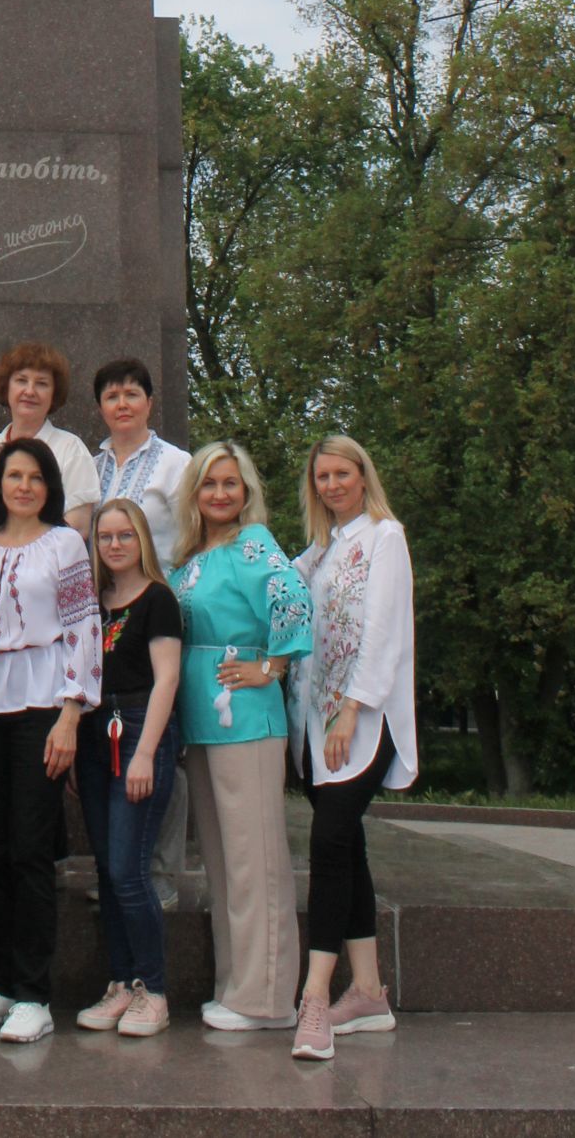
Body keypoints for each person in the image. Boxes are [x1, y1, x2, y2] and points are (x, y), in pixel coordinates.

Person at [0, 436, 102, 1044]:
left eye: (35, 477)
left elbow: (83, 625)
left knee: (30, 849)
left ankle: (34, 993)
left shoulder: (64, 543)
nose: (24, 486)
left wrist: (71, 713)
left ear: (49, 487)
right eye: (14, 476)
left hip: (41, 702)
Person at [168, 440, 313, 1033]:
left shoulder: (253, 543)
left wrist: (271, 667)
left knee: (256, 860)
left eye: (230, 483)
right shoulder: (191, 555)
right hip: (202, 719)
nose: (220, 493)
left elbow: (294, 600)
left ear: (247, 491)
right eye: (209, 483)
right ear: (194, 493)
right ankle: (236, 985)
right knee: (225, 863)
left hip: (246, 717)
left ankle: (268, 998)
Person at [288, 434, 417, 1063]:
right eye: (323, 477)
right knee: (346, 847)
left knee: (329, 842)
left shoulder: (385, 538)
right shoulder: (319, 552)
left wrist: (351, 709)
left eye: (342, 473)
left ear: (364, 475)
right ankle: (367, 992)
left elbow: (384, 633)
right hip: (315, 726)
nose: (332, 485)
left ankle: (314, 995)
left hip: (362, 721)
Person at [73, 497, 182, 1038]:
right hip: (96, 730)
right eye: (105, 537)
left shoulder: (159, 599)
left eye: (124, 535)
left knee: (128, 869)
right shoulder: (95, 601)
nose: (114, 545)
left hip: (139, 730)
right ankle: (120, 981)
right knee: (105, 871)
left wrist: (144, 752)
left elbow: (167, 678)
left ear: (142, 538)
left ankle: (152, 989)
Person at [92, 356, 191, 907]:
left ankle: (162, 873)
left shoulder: (176, 465)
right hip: (109, 613)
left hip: (162, 609)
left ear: (150, 402)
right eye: (112, 396)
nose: (122, 404)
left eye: (132, 394)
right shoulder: (91, 465)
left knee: (164, 741)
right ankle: (122, 867)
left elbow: (195, 533)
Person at [0, 341, 101, 540]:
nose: (30, 391)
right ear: (6, 386)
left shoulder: (72, 450)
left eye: (41, 383)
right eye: (21, 380)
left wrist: (23, 552)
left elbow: (77, 528)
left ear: (54, 393)